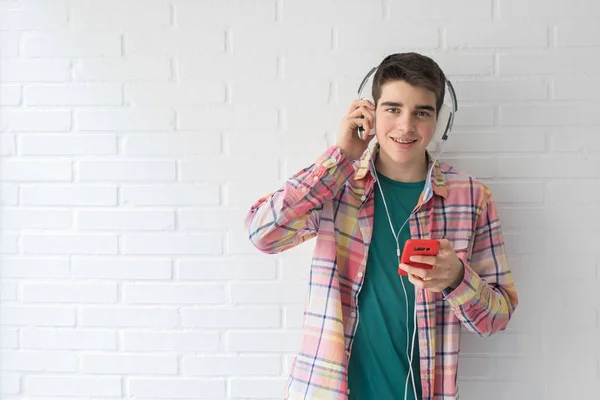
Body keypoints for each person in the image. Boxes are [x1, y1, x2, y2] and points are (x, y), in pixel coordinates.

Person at [245, 52, 518, 400]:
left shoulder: (471, 197)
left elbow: (497, 318)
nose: (406, 126)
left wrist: (456, 279)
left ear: (440, 121)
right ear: (369, 113)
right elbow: (262, 234)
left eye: (422, 112)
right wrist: (341, 155)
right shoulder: (337, 185)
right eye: (392, 109)